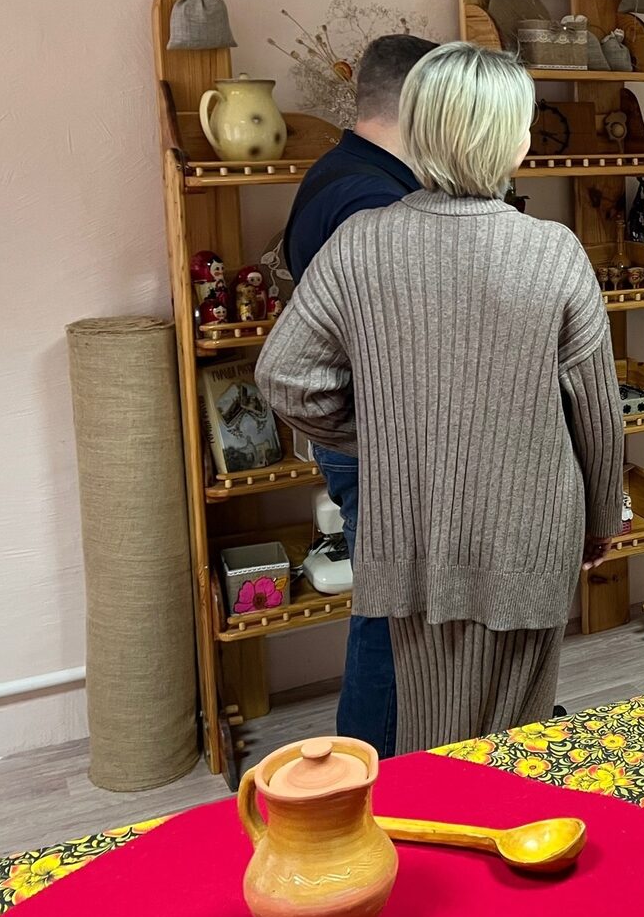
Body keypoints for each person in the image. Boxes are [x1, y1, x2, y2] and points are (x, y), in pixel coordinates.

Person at [258, 42, 625, 751]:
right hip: (532, 530)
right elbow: (598, 415)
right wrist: (602, 516)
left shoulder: (360, 242)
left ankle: (427, 814)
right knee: (517, 727)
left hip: (411, 529)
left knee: (426, 733)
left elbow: (286, 378)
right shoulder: (552, 250)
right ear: (509, 141)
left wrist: (387, 431)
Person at [280, 33, 435, 756]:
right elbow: (396, 347)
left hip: (368, 432)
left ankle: (410, 752)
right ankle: (375, 772)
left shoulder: (341, 174)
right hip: (379, 437)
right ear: (422, 101)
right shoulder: (372, 201)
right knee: (390, 611)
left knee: (394, 602)